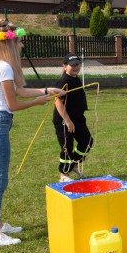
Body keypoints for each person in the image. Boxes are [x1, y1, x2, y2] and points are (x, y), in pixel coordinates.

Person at [0, 19, 65, 247]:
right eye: (20, 43)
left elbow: (17, 90)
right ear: (10, 44)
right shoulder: (4, 67)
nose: (22, 46)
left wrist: (46, 90)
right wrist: (39, 101)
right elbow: (13, 104)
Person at [52, 53, 93, 182]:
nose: (76, 67)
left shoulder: (76, 78)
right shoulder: (64, 81)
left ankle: (74, 164)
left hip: (78, 118)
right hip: (64, 120)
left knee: (87, 141)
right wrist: (68, 121)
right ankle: (64, 174)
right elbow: (58, 102)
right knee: (67, 146)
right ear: (65, 66)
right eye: (72, 65)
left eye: (77, 64)